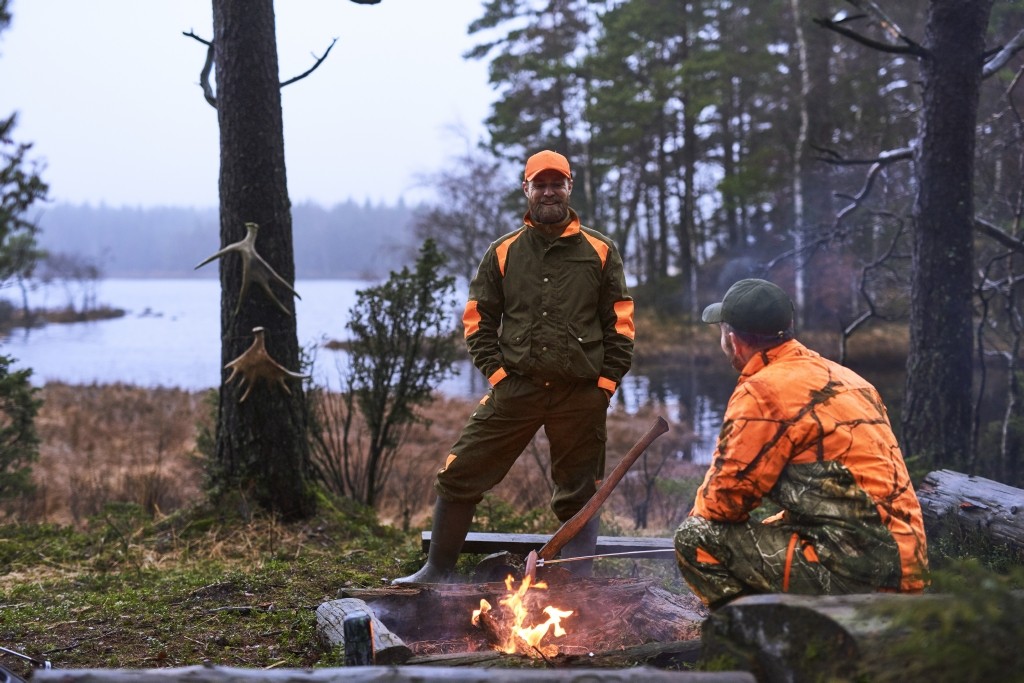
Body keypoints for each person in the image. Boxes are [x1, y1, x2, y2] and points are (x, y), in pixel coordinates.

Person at [394, 149, 635, 584]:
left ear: (569, 187)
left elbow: (620, 322)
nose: (548, 191)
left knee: (580, 496)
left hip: (579, 394)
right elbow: (476, 318)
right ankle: (436, 571)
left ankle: (575, 587)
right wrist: (498, 374)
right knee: (460, 472)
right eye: (539, 184)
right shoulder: (503, 252)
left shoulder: (600, 250)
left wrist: (605, 384)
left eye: (556, 183)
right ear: (526, 189)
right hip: (516, 389)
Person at [674, 278, 928, 607]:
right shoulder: (848, 379)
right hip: (906, 567)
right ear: (788, 327)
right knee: (767, 527)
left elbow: (723, 502)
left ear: (733, 342)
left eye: (722, 332)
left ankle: (758, 639)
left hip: (858, 573)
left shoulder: (762, 392)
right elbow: (834, 495)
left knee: (695, 538)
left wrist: (700, 521)